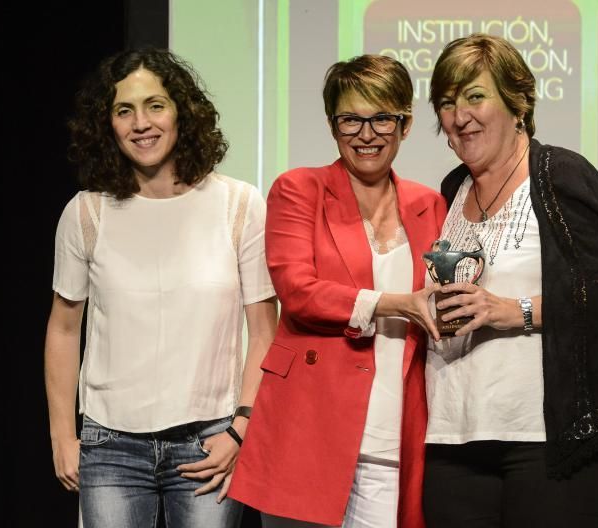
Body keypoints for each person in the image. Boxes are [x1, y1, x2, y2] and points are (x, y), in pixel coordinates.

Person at [421, 34, 598, 528]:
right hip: (455, 440)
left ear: (518, 103)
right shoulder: (452, 189)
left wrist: (514, 310)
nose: (459, 115)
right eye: (447, 102)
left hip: (553, 441)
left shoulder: (559, 176)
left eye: (475, 96)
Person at [44, 48, 278, 528]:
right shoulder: (87, 213)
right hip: (109, 447)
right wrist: (62, 437)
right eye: (123, 110)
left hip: (210, 443)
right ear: (106, 125)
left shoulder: (238, 204)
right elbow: (64, 330)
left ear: (182, 113)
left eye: (155, 105)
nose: (140, 123)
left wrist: (242, 428)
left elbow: (264, 330)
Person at [228, 55, 446, 528]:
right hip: (310, 430)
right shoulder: (298, 189)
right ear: (332, 125)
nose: (366, 134)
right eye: (351, 119)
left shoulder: (430, 205)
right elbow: (299, 292)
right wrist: (395, 305)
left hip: (396, 433)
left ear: (404, 125)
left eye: (382, 118)